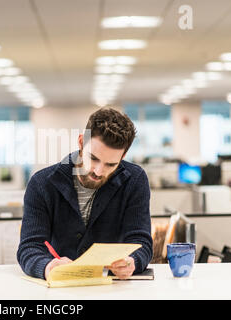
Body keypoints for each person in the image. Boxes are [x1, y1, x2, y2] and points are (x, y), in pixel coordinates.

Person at [17, 107, 153, 280]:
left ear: (123, 155)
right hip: (60, 287)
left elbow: (141, 243)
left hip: (113, 287)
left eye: (110, 164)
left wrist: (132, 261)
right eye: (93, 158)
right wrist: (47, 266)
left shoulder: (134, 180)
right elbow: (29, 247)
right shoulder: (42, 184)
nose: (98, 171)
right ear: (81, 142)